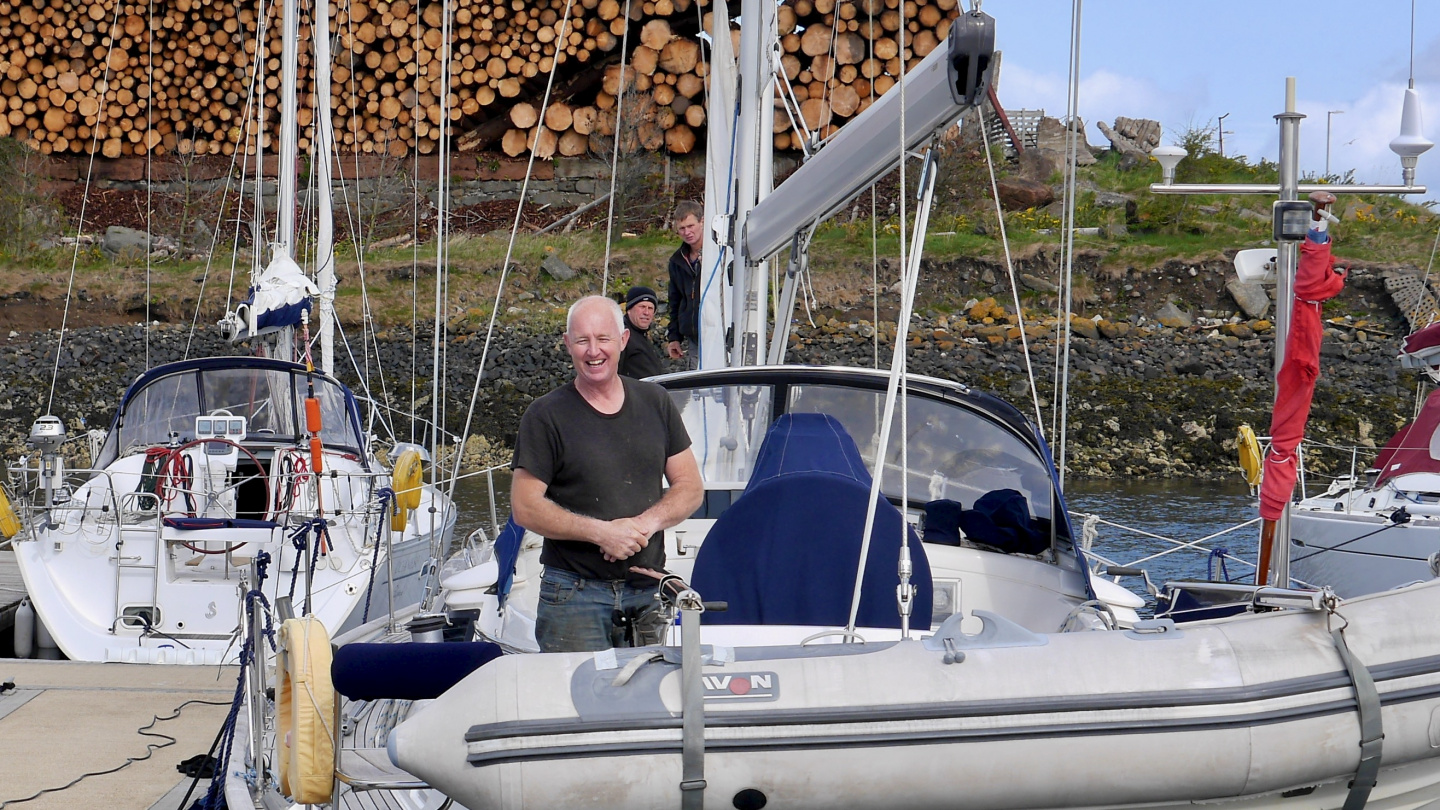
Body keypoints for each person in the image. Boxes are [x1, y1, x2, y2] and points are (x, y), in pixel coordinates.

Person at [510, 295, 703, 652]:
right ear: (568, 345)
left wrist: (641, 526)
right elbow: (525, 507)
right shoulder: (544, 415)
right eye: (582, 340)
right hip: (573, 595)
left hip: (648, 590)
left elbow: (690, 487)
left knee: (647, 706)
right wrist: (601, 533)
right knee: (572, 703)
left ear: (623, 340)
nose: (593, 351)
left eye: (603, 339)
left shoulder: (656, 402)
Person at [665, 200, 704, 364]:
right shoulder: (676, 261)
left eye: (691, 226)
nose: (687, 232)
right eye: (682, 228)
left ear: (702, 222)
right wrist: (674, 337)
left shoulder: (722, 255)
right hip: (693, 338)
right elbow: (675, 301)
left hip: (723, 335)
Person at [618, 285, 664, 379]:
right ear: (629, 309)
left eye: (650, 308)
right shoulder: (622, 336)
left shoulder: (642, 336)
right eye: (642, 307)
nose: (646, 312)